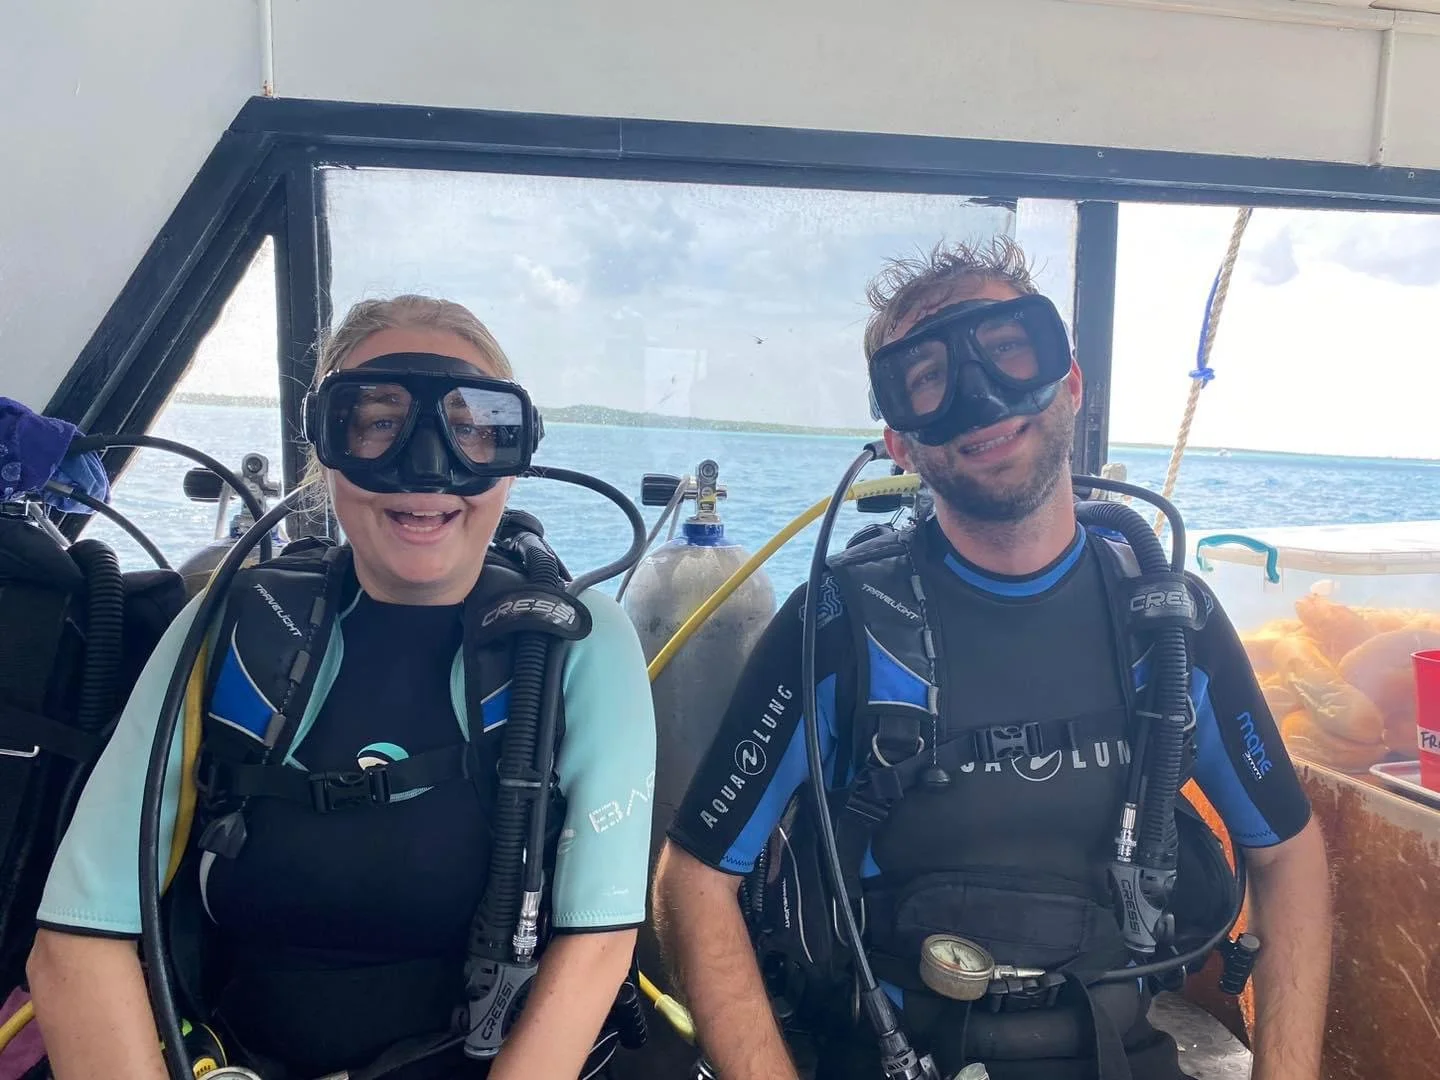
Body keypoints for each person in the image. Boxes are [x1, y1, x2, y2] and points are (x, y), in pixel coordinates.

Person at [652, 240, 1332, 1080]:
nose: (980, 399)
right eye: (929, 377)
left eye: (1009, 350)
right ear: (898, 441)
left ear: (1072, 384)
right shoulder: (838, 622)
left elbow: (1287, 852)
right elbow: (694, 878)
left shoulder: (1168, 620)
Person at [26, 295, 657, 1080]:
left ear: (514, 453)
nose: (426, 468)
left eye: (470, 428)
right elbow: (79, 940)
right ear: (326, 446)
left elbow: (596, 947)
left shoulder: (573, 642)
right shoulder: (229, 627)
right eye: (377, 422)